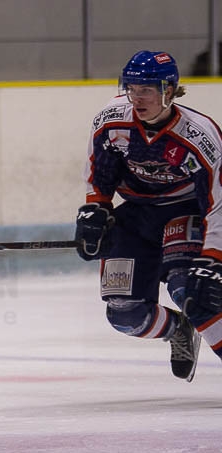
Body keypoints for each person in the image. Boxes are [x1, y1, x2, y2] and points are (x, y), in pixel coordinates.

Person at [74, 50, 222, 383]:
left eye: (146, 90)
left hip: (185, 211)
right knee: (124, 313)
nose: (137, 98)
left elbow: (218, 202)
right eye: (131, 89)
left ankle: (193, 314)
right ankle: (179, 330)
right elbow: (99, 173)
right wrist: (96, 209)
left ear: (169, 90)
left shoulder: (199, 135)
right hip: (136, 215)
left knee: (193, 293)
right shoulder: (112, 120)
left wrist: (214, 257)